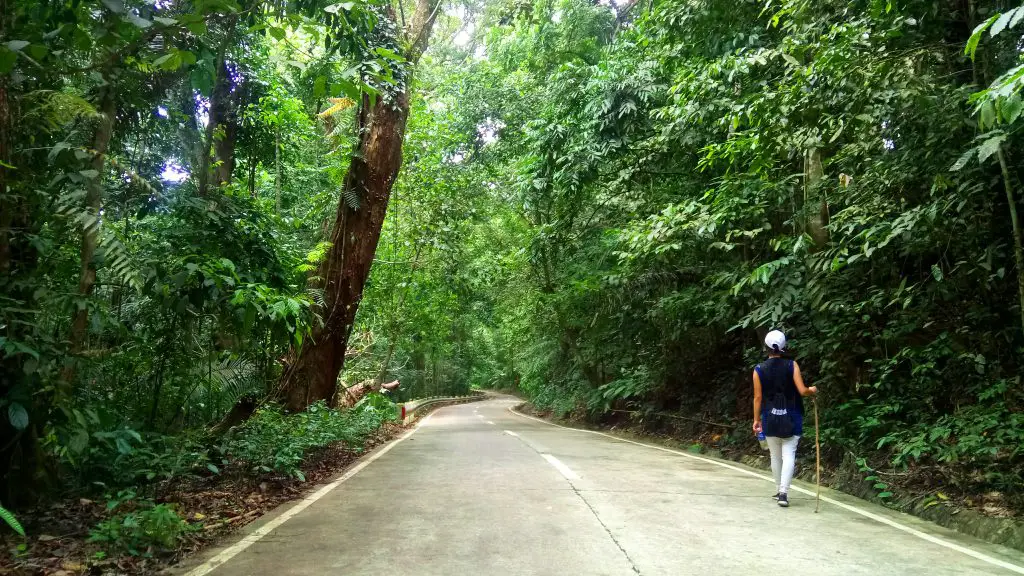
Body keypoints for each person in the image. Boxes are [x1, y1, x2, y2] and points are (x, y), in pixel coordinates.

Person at [752, 330, 817, 508]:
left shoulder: (758, 369)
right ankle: (783, 493)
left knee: (775, 455)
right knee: (789, 454)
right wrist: (812, 390)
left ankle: (778, 489)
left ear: (766, 348)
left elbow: (757, 398)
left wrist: (756, 419)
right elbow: (803, 391)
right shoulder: (792, 365)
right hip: (792, 415)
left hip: (769, 416)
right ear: (783, 347)